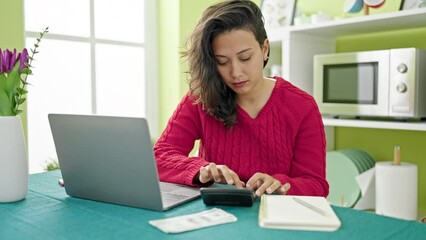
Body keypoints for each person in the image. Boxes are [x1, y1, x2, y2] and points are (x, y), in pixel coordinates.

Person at [154, 0, 329, 197]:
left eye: (245, 58)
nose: (235, 73)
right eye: (222, 62)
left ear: (264, 49)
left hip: (273, 216)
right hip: (215, 214)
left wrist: (281, 185)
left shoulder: (302, 107)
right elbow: (159, 157)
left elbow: (316, 185)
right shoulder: (200, 96)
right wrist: (201, 170)